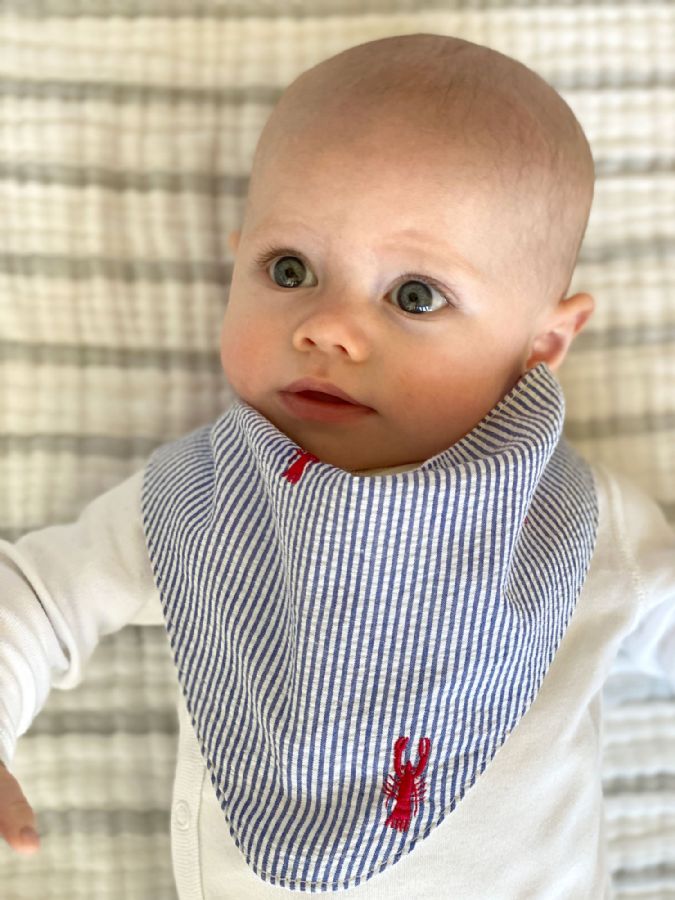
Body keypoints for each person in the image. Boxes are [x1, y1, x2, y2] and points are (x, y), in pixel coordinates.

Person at [0, 32, 673, 899]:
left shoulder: (570, 525)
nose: (326, 328)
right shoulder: (209, 499)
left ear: (541, 343)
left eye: (414, 295)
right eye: (289, 269)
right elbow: (39, 598)